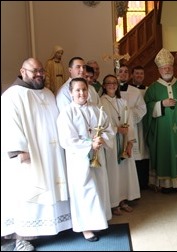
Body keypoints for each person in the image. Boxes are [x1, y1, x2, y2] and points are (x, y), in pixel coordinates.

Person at [1, 58, 71, 251]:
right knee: (28, 194)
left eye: (42, 71)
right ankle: (22, 238)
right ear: (22, 71)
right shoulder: (12, 96)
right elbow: (9, 124)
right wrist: (18, 150)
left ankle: (53, 227)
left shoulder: (48, 93)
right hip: (29, 156)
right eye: (35, 71)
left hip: (51, 155)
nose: (40, 74)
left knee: (51, 190)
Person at [57, 77, 115, 242]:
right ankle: (86, 228)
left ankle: (99, 222)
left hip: (98, 156)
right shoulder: (67, 113)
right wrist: (90, 143)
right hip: (79, 160)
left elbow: (108, 129)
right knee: (84, 191)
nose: (82, 93)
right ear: (71, 93)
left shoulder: (97, 109)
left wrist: (102, 139)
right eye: (77, 90)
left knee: (99, 188)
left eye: (84, 89)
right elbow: (67, 140)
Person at [143, 48, 177, 193]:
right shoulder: (152, 88)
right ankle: (165, 185)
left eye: (169, 67)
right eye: (164, 68)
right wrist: (161, 104)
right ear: (159, 70)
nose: (167, 69)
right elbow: (147, 107)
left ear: (173, 68)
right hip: (162, 128)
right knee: (165, 152)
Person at [100, 74, 139, 215]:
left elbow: (131, 123)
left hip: (123, 141)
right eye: (108, 83)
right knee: (113, 173)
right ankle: (113, 203)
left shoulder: (123, 102)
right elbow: (101, 124)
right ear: (104, 86)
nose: (112, 85)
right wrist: (117, 130)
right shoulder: (101, 102)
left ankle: (123, 200)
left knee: (124, 173)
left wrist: (129, 143)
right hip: (111, 144)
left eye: (114, 83)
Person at [118, 64, 148, 192]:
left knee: (136, 155)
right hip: (117, 128)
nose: (123, 74)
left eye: (126, 72)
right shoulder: (111, 89)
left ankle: (138, 186)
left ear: (129, 75)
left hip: (132, 127)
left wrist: (129, 115)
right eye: (121, 71)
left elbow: (142, 108)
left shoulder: (134, 91)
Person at [126, 65, 150, 190]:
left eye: (141, 73)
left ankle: (144, 182)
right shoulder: (126, 90)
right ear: (132, 75)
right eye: (136, 73)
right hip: (131, 125)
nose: (139, 76)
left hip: (143, 124)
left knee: (144, 150)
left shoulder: (148, 89)